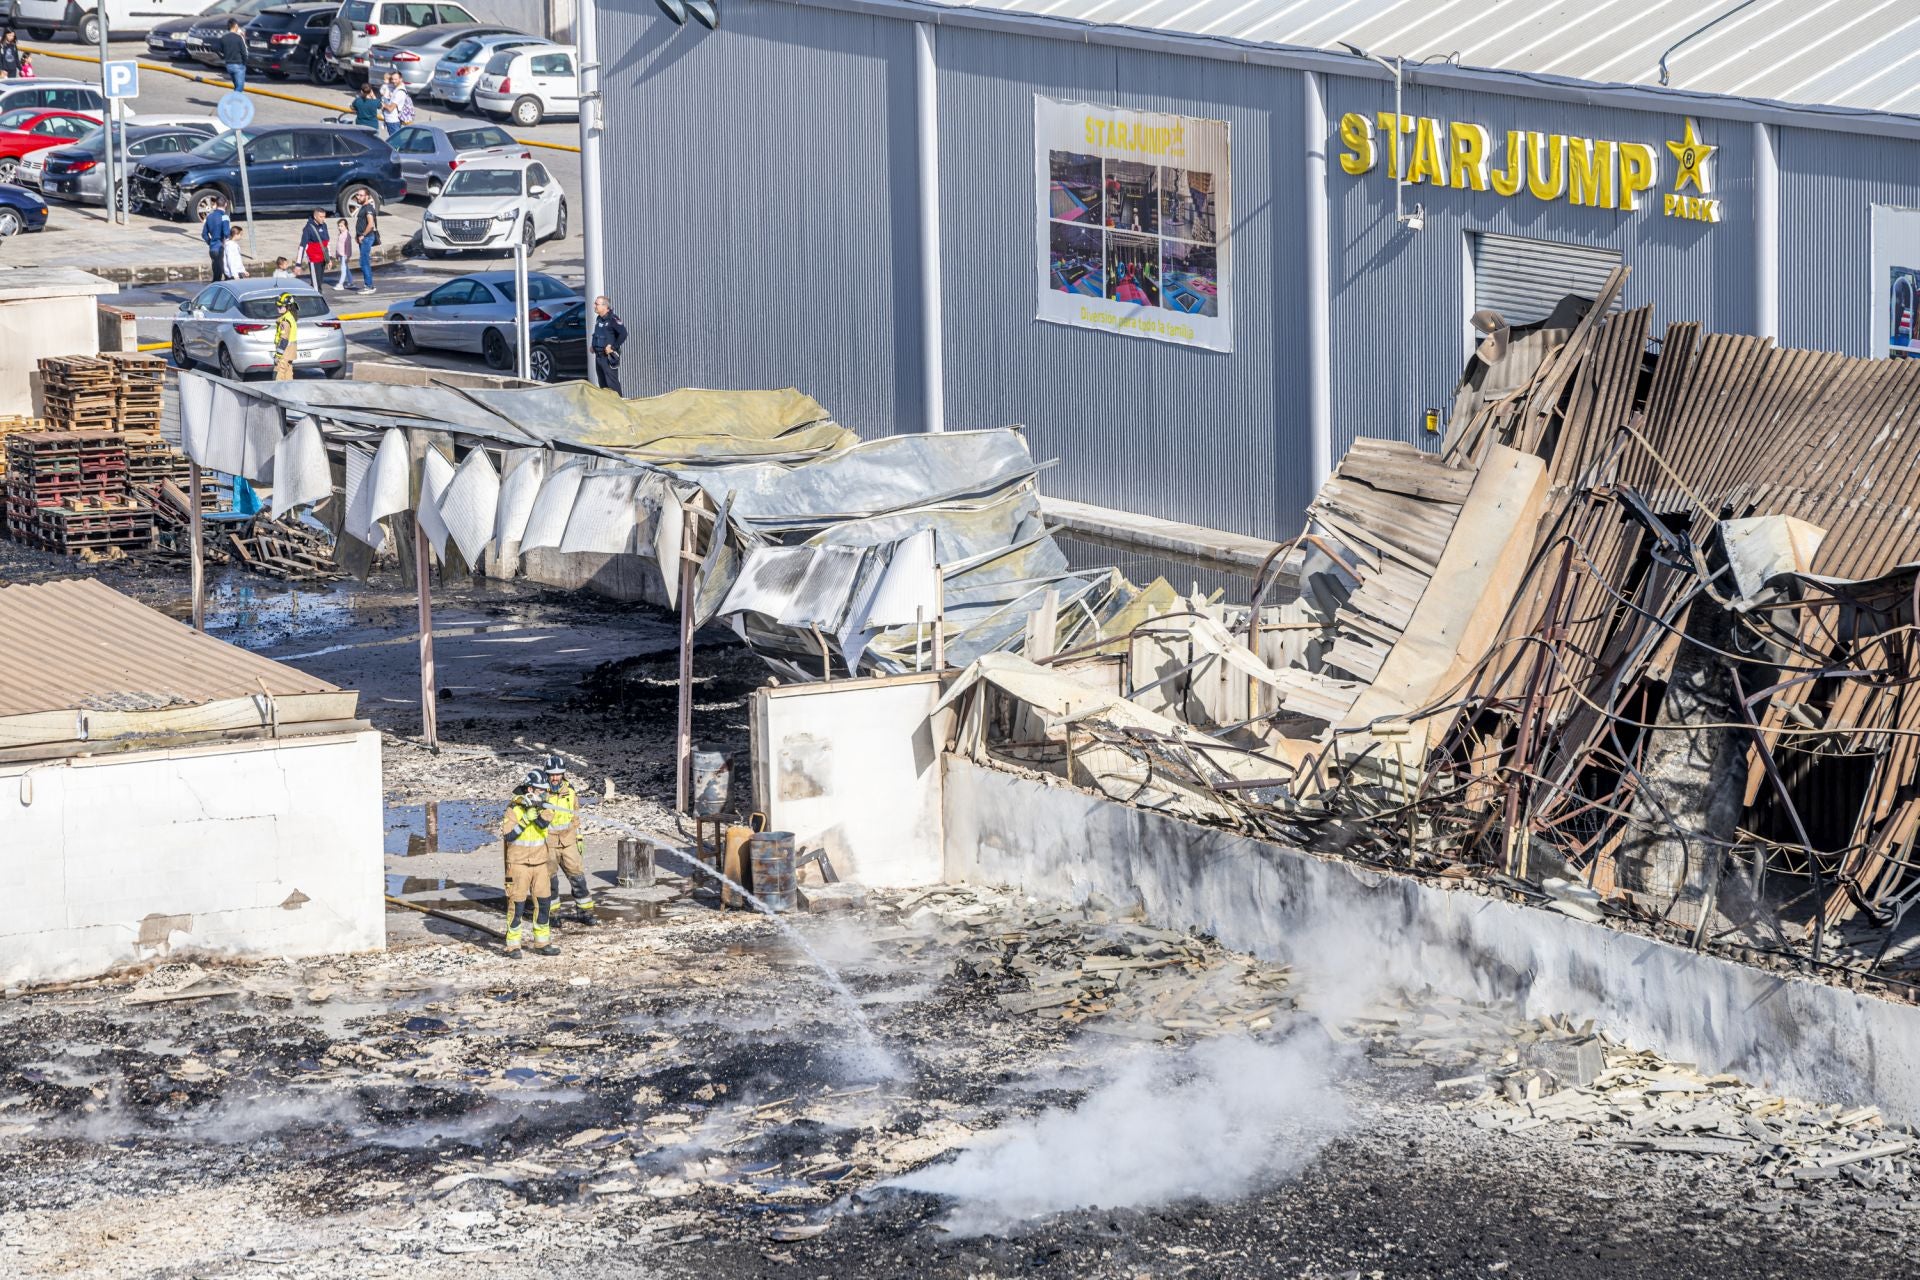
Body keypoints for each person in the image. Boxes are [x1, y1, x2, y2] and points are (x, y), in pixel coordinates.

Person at [498, 772, 560, 957]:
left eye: (546, 791)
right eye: (541, 791)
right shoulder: (513, 809)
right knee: (516, 904)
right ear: (530, 789)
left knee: (543, 903)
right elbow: (509, 835)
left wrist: (536, 809)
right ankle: (513, 946)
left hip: (540, 863)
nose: (545, 794)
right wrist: (525, 819)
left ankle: (542, 943)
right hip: (518, 864)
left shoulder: (546, 806)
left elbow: (542, 824)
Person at [541, 755, 594, 923]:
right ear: (546, 774)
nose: (555, 778)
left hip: (568, 840)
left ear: (563, 774)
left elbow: (575, 815)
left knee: (578, 877)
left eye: (558, 774)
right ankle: (552, 915)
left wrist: (578, 838)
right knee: (550, 881)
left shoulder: (570, 791)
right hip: (548, 842)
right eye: (552, 774)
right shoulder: (540, 793)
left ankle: (585, 913)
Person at [591, 295, 627, 395]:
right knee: (603, 386)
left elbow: (623, 334)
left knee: (612, 385)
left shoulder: (613, 319)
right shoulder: (599, 318)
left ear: (605, 306)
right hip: (598, 357)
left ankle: (619, 408)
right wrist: (593, 345)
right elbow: (598, 333)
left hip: (608, 357)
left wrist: (613, 347)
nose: (594, 306)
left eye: (596, 304)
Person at [352, 189, 378, 292]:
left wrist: (362, 235)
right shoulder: (364, 207)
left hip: (366, 238)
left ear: (367, 196)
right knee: (364, 262)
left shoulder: (368, 208)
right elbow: (362, 223)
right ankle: (369, 285)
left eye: (361, 195)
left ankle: (369, 286)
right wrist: (357, 235)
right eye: (357, 195)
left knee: (364, 262)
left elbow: (371, 224)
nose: (358, 197)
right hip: (363, 238)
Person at [201, 196, 232, 281]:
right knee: (227, 276)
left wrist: (210, 242)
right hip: (221, 249)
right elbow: (226, 233)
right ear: (225, 204)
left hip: (212, 249)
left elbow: (204, 234)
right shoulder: (225, 217)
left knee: (216, 275)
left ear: (216, 204)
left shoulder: (209, 217)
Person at [298, 208, 328, 291]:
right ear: (315, 216)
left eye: (324, 217)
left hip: (323, 259)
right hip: (314, 260)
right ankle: (317, 302)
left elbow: (326, 243)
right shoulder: (308, 228)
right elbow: (302, 246)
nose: (323, 219)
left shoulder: (324, 225)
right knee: (316, 286)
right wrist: (298, 264)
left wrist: (329, 259)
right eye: (321, 217)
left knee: (319, 283)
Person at [377, 71, 413, 138]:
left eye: (395, 79)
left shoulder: (399, 92)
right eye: (392, 79)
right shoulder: (396, 88)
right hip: (391, 120)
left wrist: (383, 105)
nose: (393, 81)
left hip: (393, 121)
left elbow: (390, 109)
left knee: (395, 142)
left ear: (401, 79)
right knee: (395, 141)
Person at [271, 291, 297, 381]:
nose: (278, 308)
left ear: (288, 306)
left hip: (285, 352)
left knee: (279, 374)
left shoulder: (285, 321)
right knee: (288, 373)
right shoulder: (289, 316)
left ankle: (277, 393)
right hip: (290, 351)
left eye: (280, 306)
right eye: (277, 306)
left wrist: (278, 355)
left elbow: (284, 340)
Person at [218, 20, 247, 93]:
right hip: (238, 65)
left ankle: (236, 102)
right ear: (235, 26)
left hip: (229, 65)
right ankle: (232, 100)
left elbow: (220, 51)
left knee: (236, 86)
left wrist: (225, 58)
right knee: (239, 87)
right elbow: (244, 52)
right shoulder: (239, 38)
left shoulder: (223, 38)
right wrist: (245, 62)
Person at [329, 216, 353, 290]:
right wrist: (337, 254)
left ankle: (340, 284)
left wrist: (347, 256)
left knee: (343, 269)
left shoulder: (347, 235)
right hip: (341, 255)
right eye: (339, 226)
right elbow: (338, 245)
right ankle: (350, 282)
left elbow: (348, 247)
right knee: (346, 269)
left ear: (346, 226)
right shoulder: (340, 234)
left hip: (344, 255)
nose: (340, 227)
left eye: (341, 226)